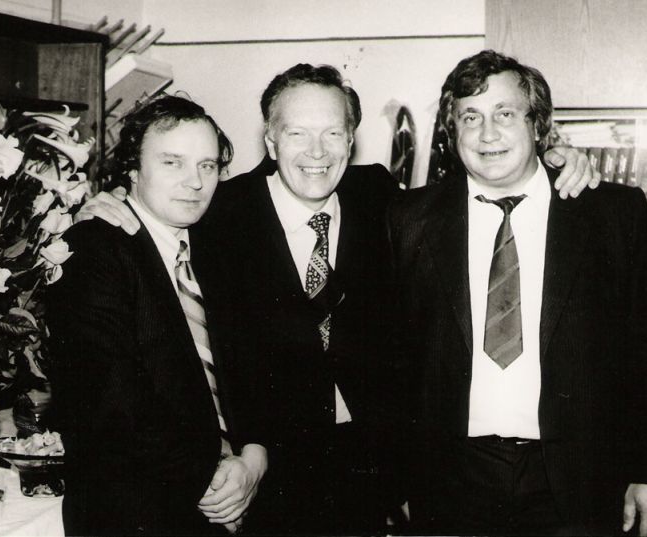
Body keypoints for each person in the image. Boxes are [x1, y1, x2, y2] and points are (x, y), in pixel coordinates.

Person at [77, 63, 597, 535]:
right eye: (297, 133)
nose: (317, 152)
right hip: (261, 479)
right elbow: (157, 218)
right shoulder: (217, 211)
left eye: (332, 133)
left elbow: (483, 184)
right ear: (270, 140)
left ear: (351, 139)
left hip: (368, 476)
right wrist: (105, 204)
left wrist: (556, 158)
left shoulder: (382, 200)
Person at [387, 50, 647, 536]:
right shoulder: (408, 219)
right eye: (470, 117)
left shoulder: (611, 214)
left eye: (505, 114)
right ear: (452, 130)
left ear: (538, 125)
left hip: (583, 479)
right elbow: (391, 358)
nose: (487, 134)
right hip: (452, 482)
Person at [46, 94, 267, 536]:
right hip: (138, 514)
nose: (195, 182)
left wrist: (255, 458)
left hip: (225, 499)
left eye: (207, 165)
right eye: (172, 162)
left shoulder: (216, 249)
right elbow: (112, 403)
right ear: (132, 169)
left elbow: (252, 371)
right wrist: (213, 484)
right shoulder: (93, 249)